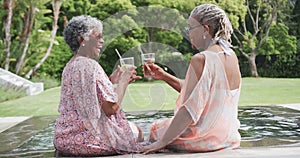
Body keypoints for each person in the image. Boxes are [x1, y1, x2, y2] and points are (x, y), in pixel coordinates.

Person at [140, 4, 242, 154]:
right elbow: (200, 93)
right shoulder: (231, 56)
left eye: (191, 28)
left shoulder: (200, 59)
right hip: (227, 137)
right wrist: (163, 76)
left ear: (205, 30)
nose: (188, 33)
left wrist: (162, 142)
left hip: (204, 139)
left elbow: (188, 111)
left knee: (154, 129)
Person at [53, 15, 143, 157]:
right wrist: (123, 82)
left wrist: (110, 81)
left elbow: (87, 95)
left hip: (64, 140)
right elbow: (110, 108)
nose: (102, 41)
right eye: (98, 37)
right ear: (82, 40)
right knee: (137, 131)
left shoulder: (69, 66)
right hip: (89, 142)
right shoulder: (91, 65)